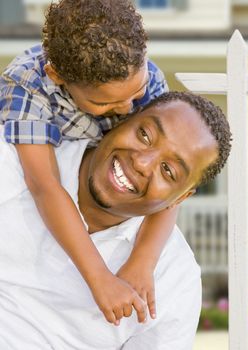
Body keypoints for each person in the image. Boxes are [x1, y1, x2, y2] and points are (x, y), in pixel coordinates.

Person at [0, 91, 232, 349]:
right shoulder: (14, 161)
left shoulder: (174, 277)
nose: (143, 163)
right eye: (145, 135)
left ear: (180, 199)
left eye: (168, 171)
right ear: (122, 119)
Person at [0, 0, 181, 324]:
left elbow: (173, 189)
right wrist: (99, 278)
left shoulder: (147, 78)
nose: (127, 109)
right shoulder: (28, 83)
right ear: (57, 76)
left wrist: (143, 260)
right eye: (104, 102)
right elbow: (44, 185)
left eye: (135, 94)